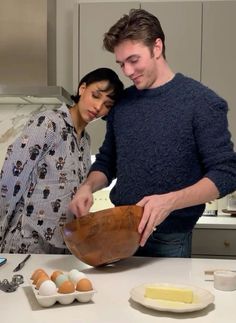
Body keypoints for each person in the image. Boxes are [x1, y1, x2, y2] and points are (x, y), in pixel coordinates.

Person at [69, 9, 236, 258]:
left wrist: (169, 202)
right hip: (120, 234)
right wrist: (87, 187)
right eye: (121, 63)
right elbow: (107, 161)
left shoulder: (201, 102)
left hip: (171, 240)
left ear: (157, 47)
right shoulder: (122, 104)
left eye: (133, 60)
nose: (126, 71)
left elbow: (226, 174)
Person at [0, 67, 124, 254]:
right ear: (82, 89)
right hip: (26, 242)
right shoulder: (48, 124)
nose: (98, 107)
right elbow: (11, 179)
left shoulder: (85, 141)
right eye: (96, 95)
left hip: (63, 246)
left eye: (107, 105)